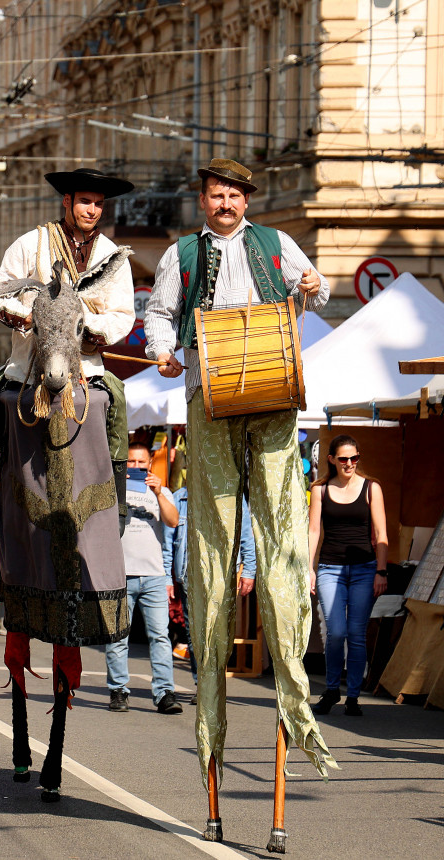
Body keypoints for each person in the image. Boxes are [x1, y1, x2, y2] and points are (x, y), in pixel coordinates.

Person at [144, 157, 336, 785]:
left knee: (281, 528)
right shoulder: (181, 255)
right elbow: (159, 316)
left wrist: (311, 288)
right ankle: (208, 696)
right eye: (215, 194)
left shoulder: (277, 243)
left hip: (275, 396)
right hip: (212, 394)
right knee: (212, 534)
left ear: (246, 200)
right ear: (203, 200)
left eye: (234, 194)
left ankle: (293, 679)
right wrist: (164, 352)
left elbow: (318, 287)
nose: (225, 202)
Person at [0, 167, 137, 551]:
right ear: (67, 202)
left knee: (119, 400)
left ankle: (120, 502)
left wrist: (86, 327)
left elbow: (123, 315)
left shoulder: (112, 255)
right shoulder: (31, 244)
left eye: (98, 204)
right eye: (85, 202)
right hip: (28, 364)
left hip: (87, 366)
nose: (92, 210)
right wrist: (34, 318)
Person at [309, 434, 388, 716]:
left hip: (365, 569)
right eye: (343, 459)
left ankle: (353, 695)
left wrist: (381, 570)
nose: (350, 463)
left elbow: (380, 534)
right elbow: (314, 531)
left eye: (354, 458)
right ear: (331, 460)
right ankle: (331, 690)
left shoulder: (371, 488)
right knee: (336, 631)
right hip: (330, 567)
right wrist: (309, 568)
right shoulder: (320, 490)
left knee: (355, 633)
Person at [105, 442, 183, 714]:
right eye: (130, 462)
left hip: (153, 576)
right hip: (120, 574)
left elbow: (173, 521)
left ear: (150, 463)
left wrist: (159, 493)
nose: (135, 467)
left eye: (141, 462)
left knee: (160, 636)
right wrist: (118, 487)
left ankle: (165, 693)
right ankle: (118, 690)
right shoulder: (113, 489)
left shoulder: (162, 491)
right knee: (117, 636)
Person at [164, 487, 257, 695]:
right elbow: (168, 541)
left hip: (222, 573)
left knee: (217, 630)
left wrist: (249, 570)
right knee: (195, 633)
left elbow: (245, 534)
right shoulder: (180, 497)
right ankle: (203, 685)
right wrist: (166, 576)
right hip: (191, 572)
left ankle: (213, 681)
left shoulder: (232, 494)